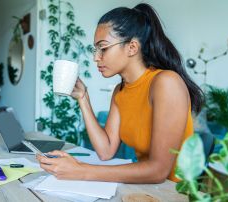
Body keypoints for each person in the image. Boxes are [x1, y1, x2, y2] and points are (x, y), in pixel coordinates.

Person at [37, 3, 204, 183]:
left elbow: (158, 171)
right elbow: (106, 150)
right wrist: (83, 98)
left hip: (176, 193)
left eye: (104, 47)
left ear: (132, 47)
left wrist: (81, 170)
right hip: (145, 190)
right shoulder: (120, 91)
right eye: (95, 49)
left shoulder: (166, 82)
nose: (96, 57)